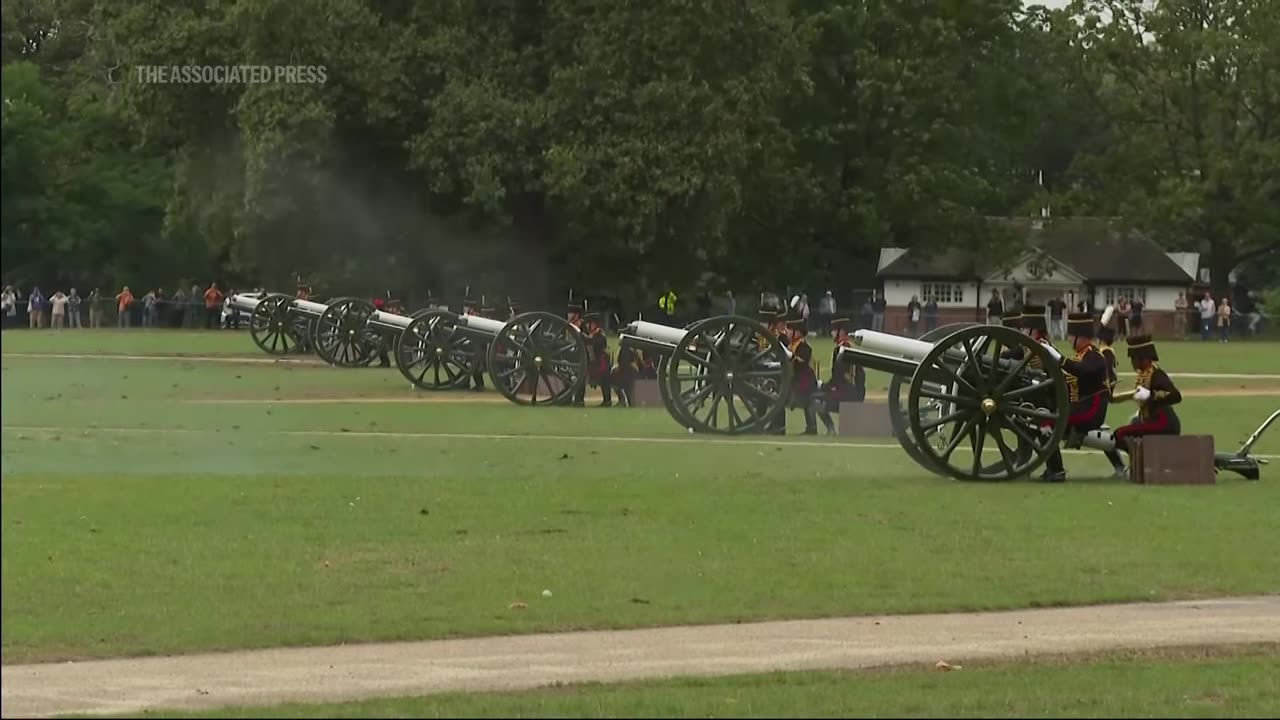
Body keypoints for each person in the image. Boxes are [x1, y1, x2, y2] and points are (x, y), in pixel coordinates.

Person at [1037, 311, 1110, 482]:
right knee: (1043, 417)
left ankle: (1056, 471)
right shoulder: (1080, 356)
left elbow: (1084, 371)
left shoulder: (1094, 355)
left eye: (1071, 335)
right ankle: (1053, 469)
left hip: (1091, 409)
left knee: (1046, 420)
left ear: (1080, 336)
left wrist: (1060, 359)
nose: (1069, 339)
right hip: (1079, 407)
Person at [1111, 334, 1182, 453]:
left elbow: (1176, 396)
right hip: (1153, 421)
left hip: (1164, 423)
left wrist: (1151, 396)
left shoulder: (1157, 374)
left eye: (1134, 359)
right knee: (1133, 423)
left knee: (1120, 433)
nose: (1132, 362)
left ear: (1143, 358)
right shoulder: (1144, 375)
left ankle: (1142, 460)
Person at [813, 316, 865, 435]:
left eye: (834, 330)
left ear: (841, 332)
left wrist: (825, 386)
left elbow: (839, 375)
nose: (831, 333)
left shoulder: (843, 348)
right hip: (854, 391)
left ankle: (831, 429)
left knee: (815, 400)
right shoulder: (850, 345)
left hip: (847, 392)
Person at [1095, 319, 1129, 477]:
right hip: (1103, 391)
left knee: (1099, 431)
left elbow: (1106, 373)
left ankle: (1119, 465)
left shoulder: (1106, 352)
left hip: (1101, 392)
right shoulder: (1105, 350)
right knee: (1100, 430)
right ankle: (1119, 465)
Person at [574, 310, 612, 407]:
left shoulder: (599, 335)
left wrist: (581, 335)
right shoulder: (594, 334)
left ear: (594, 324)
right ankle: (579, 400)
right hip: (594, 363)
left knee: (582, 376)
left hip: (600, 364)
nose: (588, 326)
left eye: (589, 324)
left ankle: (580, 401)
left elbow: (592, 343)